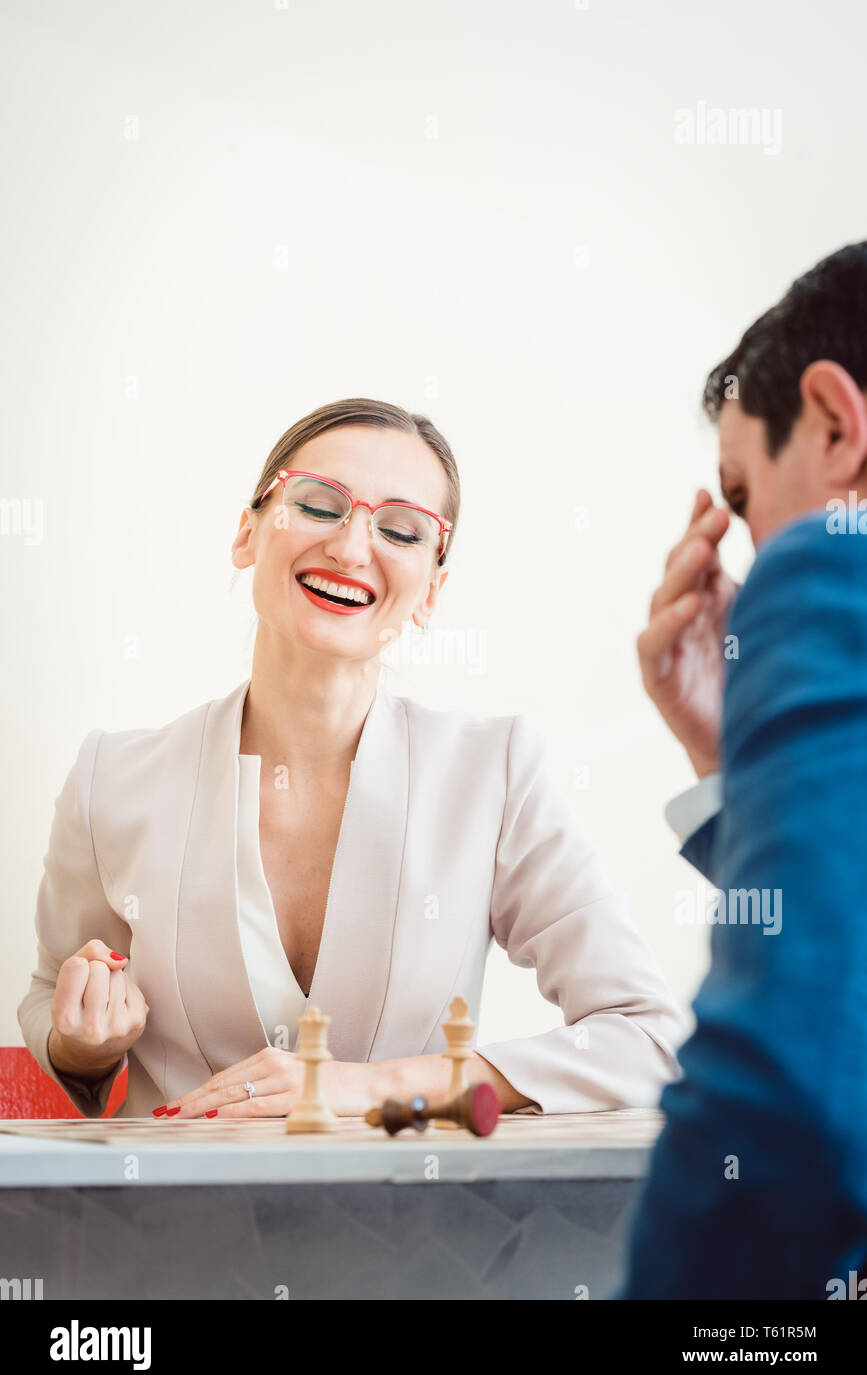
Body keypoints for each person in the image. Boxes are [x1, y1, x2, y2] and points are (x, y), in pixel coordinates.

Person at [19, 397, 685, 1120]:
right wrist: (82, 1048)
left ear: (431, 589)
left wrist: (372, 1086)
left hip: (411, 1225)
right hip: (164, 1225)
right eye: (318, 504)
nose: (350, 546)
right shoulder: (108, 780)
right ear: (247, 531)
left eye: (400, 529)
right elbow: (54, 1007)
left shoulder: (493, 774)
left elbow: (645, 1038)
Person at [624, 241, 867, 1298]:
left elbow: (791, 1084)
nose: (747, 546)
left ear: (834, 424)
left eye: (743, 492)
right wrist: (727, 761)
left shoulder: (824, 568)